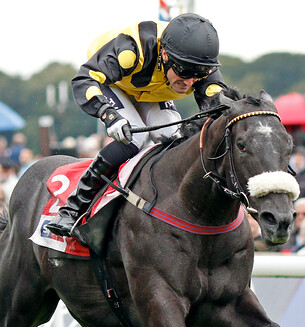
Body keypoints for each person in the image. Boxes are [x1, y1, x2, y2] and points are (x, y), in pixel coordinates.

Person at [46, 13, 227, 239]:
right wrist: (108, 114)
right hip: (114, 81)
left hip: (153, 86)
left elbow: (219, 109)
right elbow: (84, 79)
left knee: (174, 137)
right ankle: (73, 207)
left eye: (197, 74)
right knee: (132, 138)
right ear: (165, 54)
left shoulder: (203, 67)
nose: (189, 82)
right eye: (184, 71)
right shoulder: (131, 50)